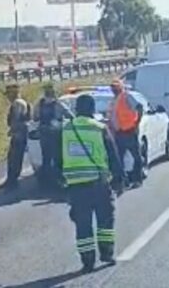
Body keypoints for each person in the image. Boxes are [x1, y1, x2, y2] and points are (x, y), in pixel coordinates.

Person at [60, 94, 125, 273]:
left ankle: (87, 261)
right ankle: (106, 254)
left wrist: (61, 179)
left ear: (76, 109)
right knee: (105, 219)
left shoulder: (66, 130)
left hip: (76, 186)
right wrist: (119, 179)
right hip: (99, 183)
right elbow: (112, 155)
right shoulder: (99, 128)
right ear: (92, 109)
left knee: (82, 224)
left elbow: (57, 156)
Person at [106, 79, 145, 188]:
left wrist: (137, 123)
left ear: (120, 87)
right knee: (118, 159)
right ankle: (122, 181)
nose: (113, 89)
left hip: (129, 131)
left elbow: (139, 107)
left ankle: (138, 179)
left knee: (136, 156)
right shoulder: (113, 101)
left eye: (116, 86)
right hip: (118, 133)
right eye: (112, 87)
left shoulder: (126, 97)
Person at [33, 83, 70, 188]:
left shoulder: (39, 104)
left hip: (44, 134)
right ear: (54, 93)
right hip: (56, 134)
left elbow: (35, 118)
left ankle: (45, 181)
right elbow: (70, 115)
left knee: (46, 158)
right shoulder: (58, 104)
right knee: (58, 157)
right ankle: (60, 179)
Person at [0, 84, 31, 190]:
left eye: (8, 94)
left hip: (19, 134)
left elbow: (17, 119)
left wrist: (13, 130)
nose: (7, 97)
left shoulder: (17, 103)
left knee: (14, 158)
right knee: (14, 158)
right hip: (20, 132)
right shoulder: (20, 103)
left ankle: (12, 180)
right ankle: (11, 179)